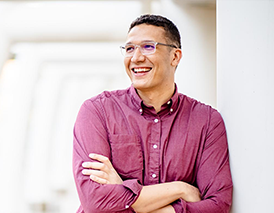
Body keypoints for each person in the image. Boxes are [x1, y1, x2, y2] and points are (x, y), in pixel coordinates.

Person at [73, 14, 233, 213]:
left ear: (175, 57)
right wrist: (180, 189)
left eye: (148, 46)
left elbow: (218, 206)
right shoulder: (97, 111)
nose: (136, 57)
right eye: (130, 48)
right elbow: (94, 201)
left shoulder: (207, 121)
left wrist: (123, 191)